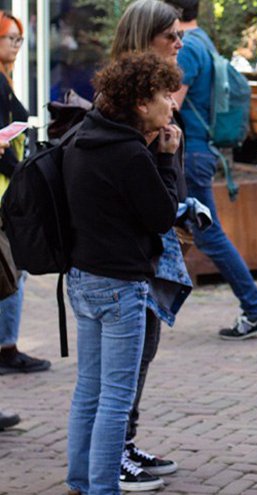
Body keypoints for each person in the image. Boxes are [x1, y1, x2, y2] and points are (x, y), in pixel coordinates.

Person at [63, 51, 181, 495]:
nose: (171, 103)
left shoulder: (84, 136)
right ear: (140, 103)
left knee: (88, 390)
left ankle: (81, 480)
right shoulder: (131, 154)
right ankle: (103, 488)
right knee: (116, 397)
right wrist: (166, 159)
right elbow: (161, 215)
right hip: (120, 285)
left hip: (82, 277)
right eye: (164, 95)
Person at [109, 0, 189, 489]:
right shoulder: (124, 102)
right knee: (126, 358)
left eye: (181, 35)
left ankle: (125, 440)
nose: (179, 43)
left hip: (151, 245)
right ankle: (114, 451)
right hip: (125, 253)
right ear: (145, 37)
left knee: (145, 346)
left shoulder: (155, 91)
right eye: (170, 36)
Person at [165, 0, 257, 340]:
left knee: (208, 234)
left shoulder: (186, 49)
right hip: (201, 150)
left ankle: (256, 309)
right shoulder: (203, 40)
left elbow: (171, 106)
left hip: (192, 152)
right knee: (191, 232)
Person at [0, 10, 51, 376]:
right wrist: (20, 175)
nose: (18, 45)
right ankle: (7, 347)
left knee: (11, 267)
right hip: (4, 191)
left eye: (20, 39)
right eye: (11, 38)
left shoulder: (6, 79)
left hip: (6, 188)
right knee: (11, 267)